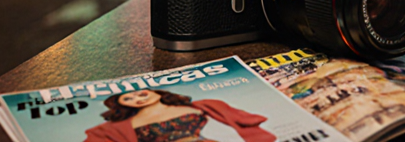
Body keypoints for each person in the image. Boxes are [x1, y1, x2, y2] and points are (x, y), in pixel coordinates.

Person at [83, 89, 274, 142]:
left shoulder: (203, 106)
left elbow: (243, 120)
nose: (137, 98)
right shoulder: (117, 128)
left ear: (157, 92)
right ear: (121, 105)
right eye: (129, 99)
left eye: (141, 93)